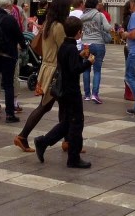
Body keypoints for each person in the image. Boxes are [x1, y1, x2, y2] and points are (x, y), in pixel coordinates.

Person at [14, 0, 70, 153]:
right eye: (68, 7)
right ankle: (22, 136)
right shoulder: (58, 27)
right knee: (45, 106)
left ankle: (68, 141)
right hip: (56, 70)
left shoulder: (48, 24)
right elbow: (64, 49)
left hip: (47, 67)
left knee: (64, 107)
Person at [34, 16, 93, 169]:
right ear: (78, 32)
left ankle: (43, 142)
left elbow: (67, 64)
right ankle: (74, 158)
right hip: (71, 91)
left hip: (63, 91)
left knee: (67, 122)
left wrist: (79, 56)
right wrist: (88, 62)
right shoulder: (71, 48)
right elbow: (74, 70)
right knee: (76, 123)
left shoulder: (64, 46)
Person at [79, 0, 111, 103]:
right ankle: (95, 94)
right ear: (96, 5)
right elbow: (107, 28)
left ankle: (87, 95)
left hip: (86, 45)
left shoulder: (82, 16)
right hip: (98, 44)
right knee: (97, 70)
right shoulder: (100, 15)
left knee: (86, 69)